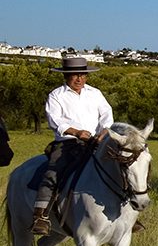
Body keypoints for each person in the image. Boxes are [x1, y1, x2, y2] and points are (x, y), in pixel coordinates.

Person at [31, 56, 115, 235]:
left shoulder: (95, 93)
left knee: (119, 164)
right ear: (65, 76)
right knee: (54, 171)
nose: (79, 79)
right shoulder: (56, 95)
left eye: (82, 74)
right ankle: (40, 215)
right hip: (68, 143)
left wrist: (105, 130)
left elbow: (106, 113)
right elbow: (54, 120)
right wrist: (76, 132)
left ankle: (126, 213)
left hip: (95, 141)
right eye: (74, 75)